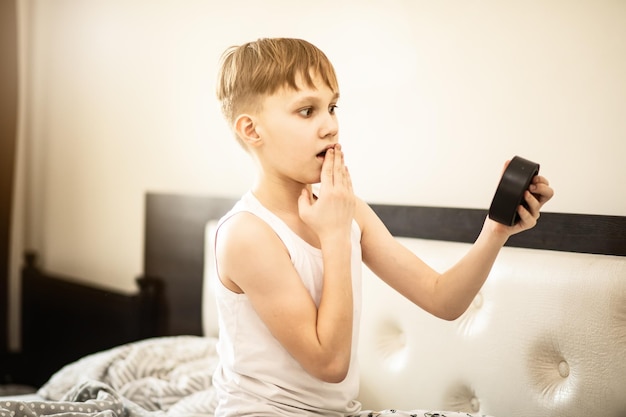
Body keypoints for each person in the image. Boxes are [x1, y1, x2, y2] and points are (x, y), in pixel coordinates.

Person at [209, 37, 554, 417]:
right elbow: (329, 363)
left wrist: (496, 230)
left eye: (332, 107)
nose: (330, 126)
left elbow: (443, 298)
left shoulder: (346, 210)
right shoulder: (247, 233)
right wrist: (336, 236)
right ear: (251, 130)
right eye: (307, 111)